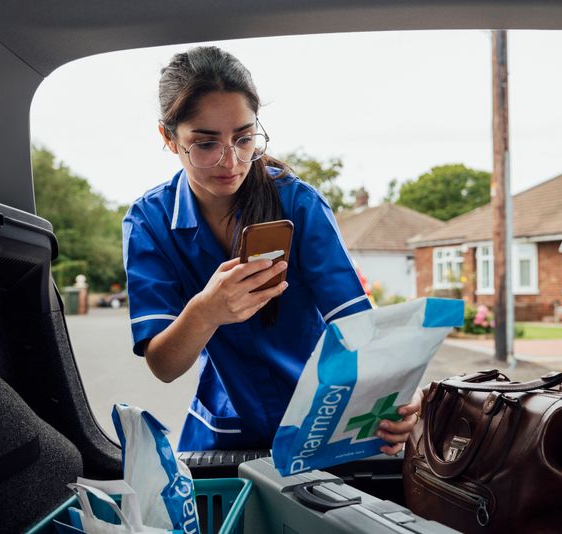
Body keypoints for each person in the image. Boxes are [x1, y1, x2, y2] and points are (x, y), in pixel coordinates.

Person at [122, 46, 422, 453]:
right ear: (168, 138)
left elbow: (355, 325)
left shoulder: (299, 204)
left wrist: (398, 396)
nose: (231, 160)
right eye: (206, 144)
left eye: (244, 138)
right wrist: (206, 311)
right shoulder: (148, 221)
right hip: (223, 434)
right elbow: (164, 365)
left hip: (322, 421)